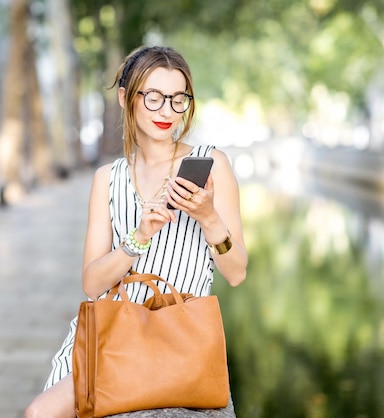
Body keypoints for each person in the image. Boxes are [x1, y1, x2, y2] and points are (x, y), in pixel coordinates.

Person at [24, 45, 247, 418]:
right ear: (127, 97)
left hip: (178, 334)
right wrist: (138, 237)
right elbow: (93, 283)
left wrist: (208, 217)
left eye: (178, 100)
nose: (167, 112)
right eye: (155, 97)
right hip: (113, 334)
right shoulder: (108, 179)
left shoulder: (212, 164)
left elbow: (237, 273)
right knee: (39, 413)